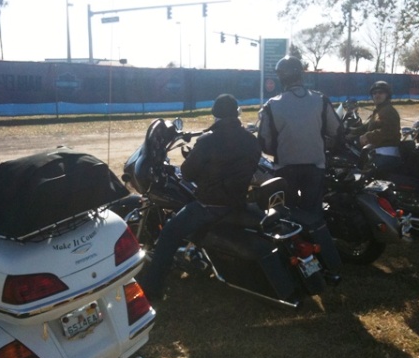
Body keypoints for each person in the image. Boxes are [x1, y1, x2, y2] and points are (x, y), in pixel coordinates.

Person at [140, 94, 261, 301]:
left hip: (210, 205)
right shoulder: (251, 140)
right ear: (237, 113)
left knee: (169, 232)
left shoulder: (207, 141)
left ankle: (152, 288)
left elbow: (187, 174)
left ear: (215, 114)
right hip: (238, 201)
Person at [257, 55, 342, 284]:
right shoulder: (320, 99)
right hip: (315, 165)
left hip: (285, 168)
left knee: (288, 216)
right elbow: (336, 130)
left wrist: (282, 149)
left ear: (281, 78)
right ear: (301, 74)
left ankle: (297, 265)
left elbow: (264, 142)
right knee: (314, 214)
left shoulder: (272, 104)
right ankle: (325, 263)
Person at [354, 80, 402, 173]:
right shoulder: (379, 110)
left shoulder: (388, 111)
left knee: (363, 175)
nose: (377, 95)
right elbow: (368, 126)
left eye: (380, 92)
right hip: (378, 150)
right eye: (374, 93)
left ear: (387, 95)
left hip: (386, 153)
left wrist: (367, 136)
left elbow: (388, 131)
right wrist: (351, 131)